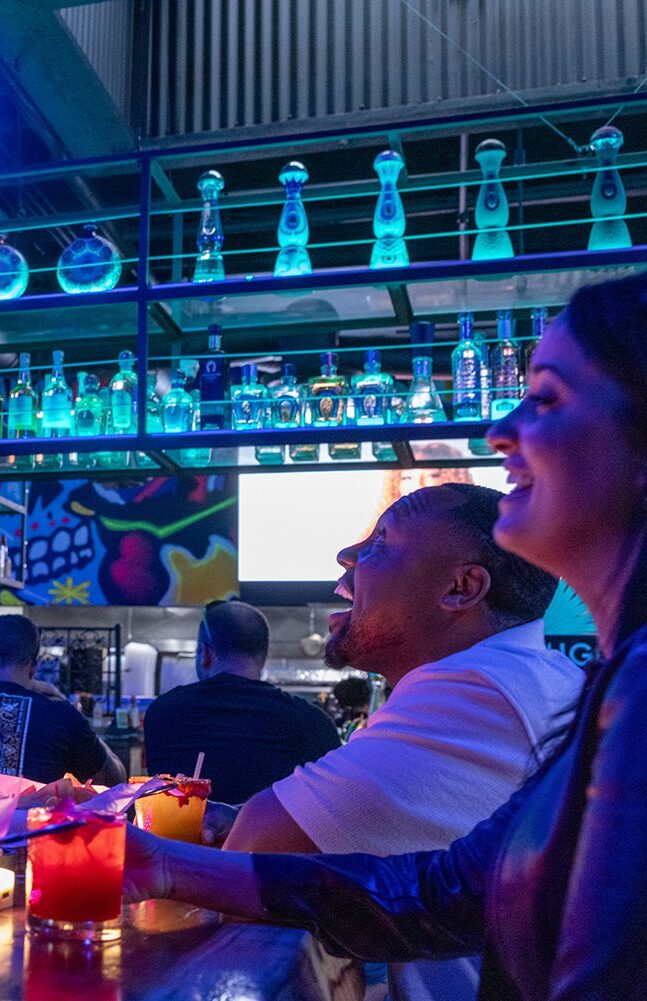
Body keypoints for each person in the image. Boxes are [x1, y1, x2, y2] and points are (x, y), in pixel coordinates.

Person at [124, 273, 647, 1001]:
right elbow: (447, 891)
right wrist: (159, 861)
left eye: (549, 398)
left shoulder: (519, 684)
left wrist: (169, 859)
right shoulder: (607, 674)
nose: (501, 431)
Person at [209, 483, 578, 1001]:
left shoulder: (478, 688)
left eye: (381, 540)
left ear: (461, 587)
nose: (348, 554)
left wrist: (161, 856)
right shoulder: (525, 674)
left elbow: (257, 848)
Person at [142, 600, 340, 805]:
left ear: (206, 654)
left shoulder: (163, 711)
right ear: (263, 657)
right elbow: (332, 801)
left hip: (179, 826)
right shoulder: (313, 722)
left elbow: (157, 795)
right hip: (270, 827)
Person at [0, 614, 125, 785]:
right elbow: (115, 779)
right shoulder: (60, 714)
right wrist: (72, 710)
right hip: (36, 804)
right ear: (35, 666)